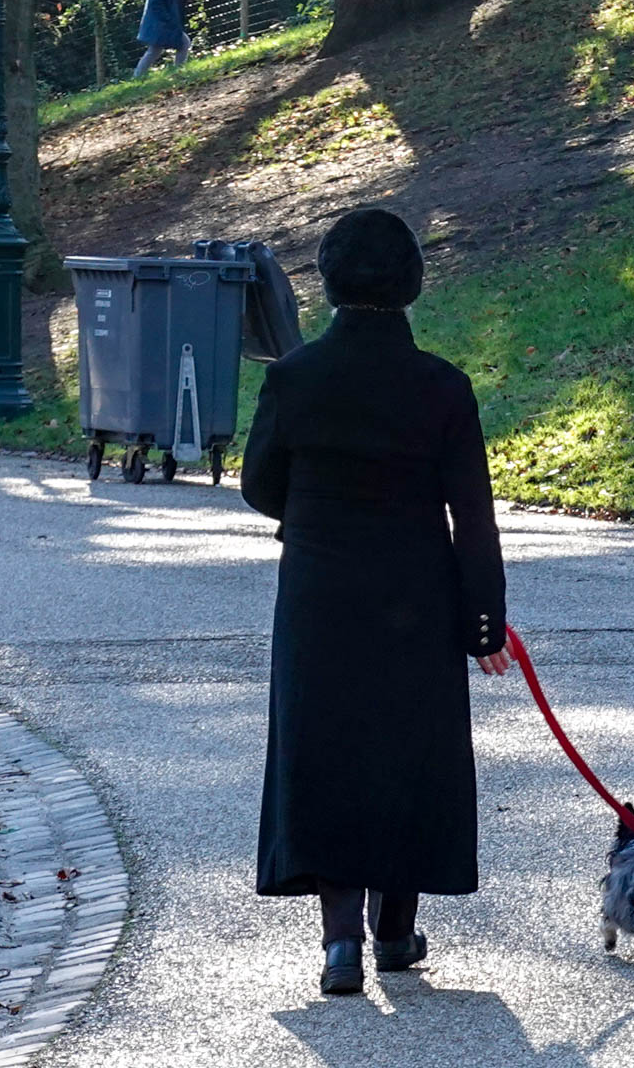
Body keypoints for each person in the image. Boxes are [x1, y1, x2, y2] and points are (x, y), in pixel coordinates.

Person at [242, 208, 514, 996]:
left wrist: (313, 515)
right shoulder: (441, 386)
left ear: (327, 283)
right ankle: (394, 931)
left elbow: (259, 485)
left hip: (319, 593)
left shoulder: (293, 378)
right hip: (416, 593)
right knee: (409, 751)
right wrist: (484, 622)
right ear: (411, 285)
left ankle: (339, 944)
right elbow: (473, 514)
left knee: (324, 748)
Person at [133, 0, 192, 77]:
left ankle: (138, 76)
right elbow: (155, 3)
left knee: (155, 50)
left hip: (163, 22)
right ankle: (179, 72)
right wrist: (168, 19)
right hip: (160, 22)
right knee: (183, 43)